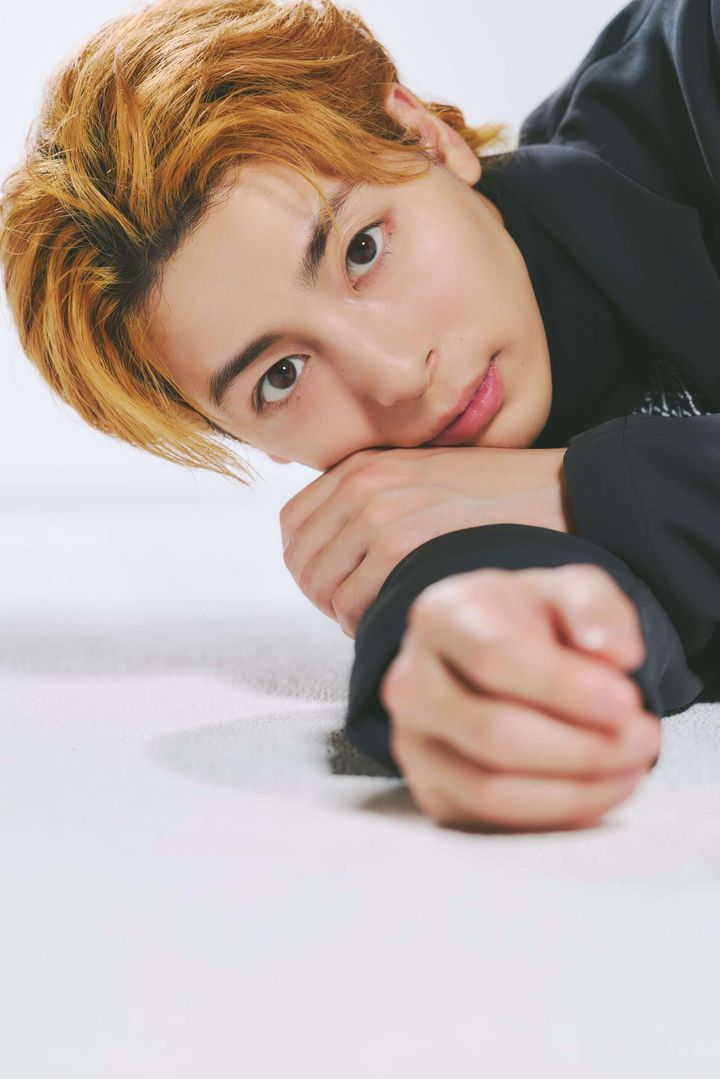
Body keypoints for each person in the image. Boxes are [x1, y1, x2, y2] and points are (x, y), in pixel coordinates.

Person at [1, 0, 718, 832]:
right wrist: (456, 671)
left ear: (424, 136)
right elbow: (486, 593)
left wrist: (579, 487)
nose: (396, 376)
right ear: (248, 437)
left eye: (363, 249)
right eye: (281, 377)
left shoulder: (697, 64)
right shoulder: (444, 488)